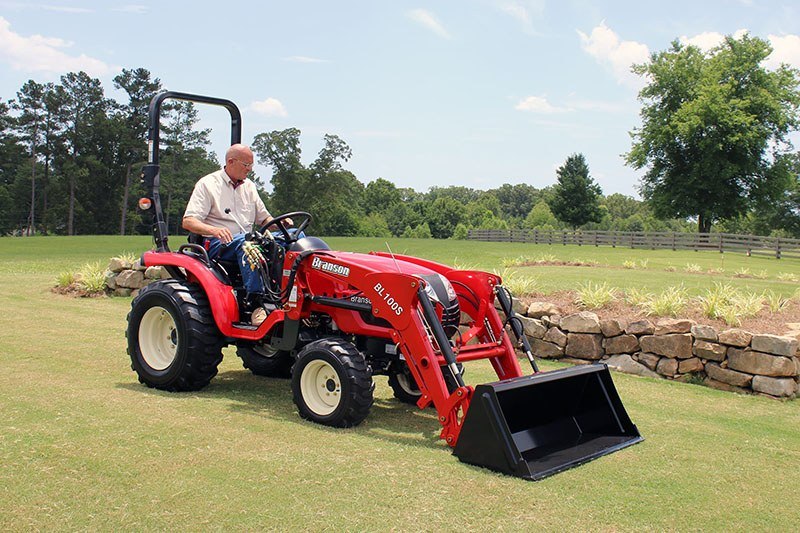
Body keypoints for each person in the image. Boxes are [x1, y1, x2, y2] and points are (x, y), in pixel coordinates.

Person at [183, 144, 272, 314]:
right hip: (217, 244)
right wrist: (214, 230)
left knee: (291, 239)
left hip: (247, 239)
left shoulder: (249, 187)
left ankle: (292, 296)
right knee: (247, 245)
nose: (249, 170)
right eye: (246, 165)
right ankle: (256, 304)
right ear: (231, 162)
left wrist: (283, 225)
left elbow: (264, 218)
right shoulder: (208, 184)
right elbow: (188, 221)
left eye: (251, 165)